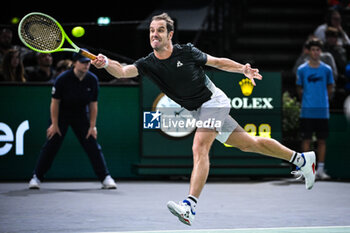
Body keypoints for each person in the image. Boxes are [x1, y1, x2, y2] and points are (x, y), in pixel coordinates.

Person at [92, 13, 316, 226]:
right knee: (249, 144)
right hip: (198, 110)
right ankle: (302, 160)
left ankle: (189, 206)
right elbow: (122, 71)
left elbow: (217, 62)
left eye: (160, 30)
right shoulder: (148, 63)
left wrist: (242, 69)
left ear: (170, 35)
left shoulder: (186, 52)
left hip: (213, 102)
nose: (154, 34)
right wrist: (105, 63)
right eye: (151, 30)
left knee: (199, 146)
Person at [28, 52, 117, 190]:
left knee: (92, 144)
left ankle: (105, 178)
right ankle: (36, 178)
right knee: (51, 144)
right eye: (83, 62)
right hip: (61, 114)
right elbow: (55, 102)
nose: (86, 65)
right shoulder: (62, 79)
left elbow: (93, 105)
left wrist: (92, 126)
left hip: (81, 114)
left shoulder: (92, 79)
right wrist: (54, 124)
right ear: (74, 63)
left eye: (88, 62)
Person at [296, 38, 334, 181]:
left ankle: (320, 170)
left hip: (322, 111)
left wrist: (321, 100)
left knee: (322, 140)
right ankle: (306, 170)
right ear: (309, 51)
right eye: (313, 49)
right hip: (307, 111)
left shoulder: (327, 69)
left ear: (321, 51)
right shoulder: (302, 70)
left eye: (318, 50)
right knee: (306, 140)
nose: (315, 52)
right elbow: (299, 88)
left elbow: (330, 88)